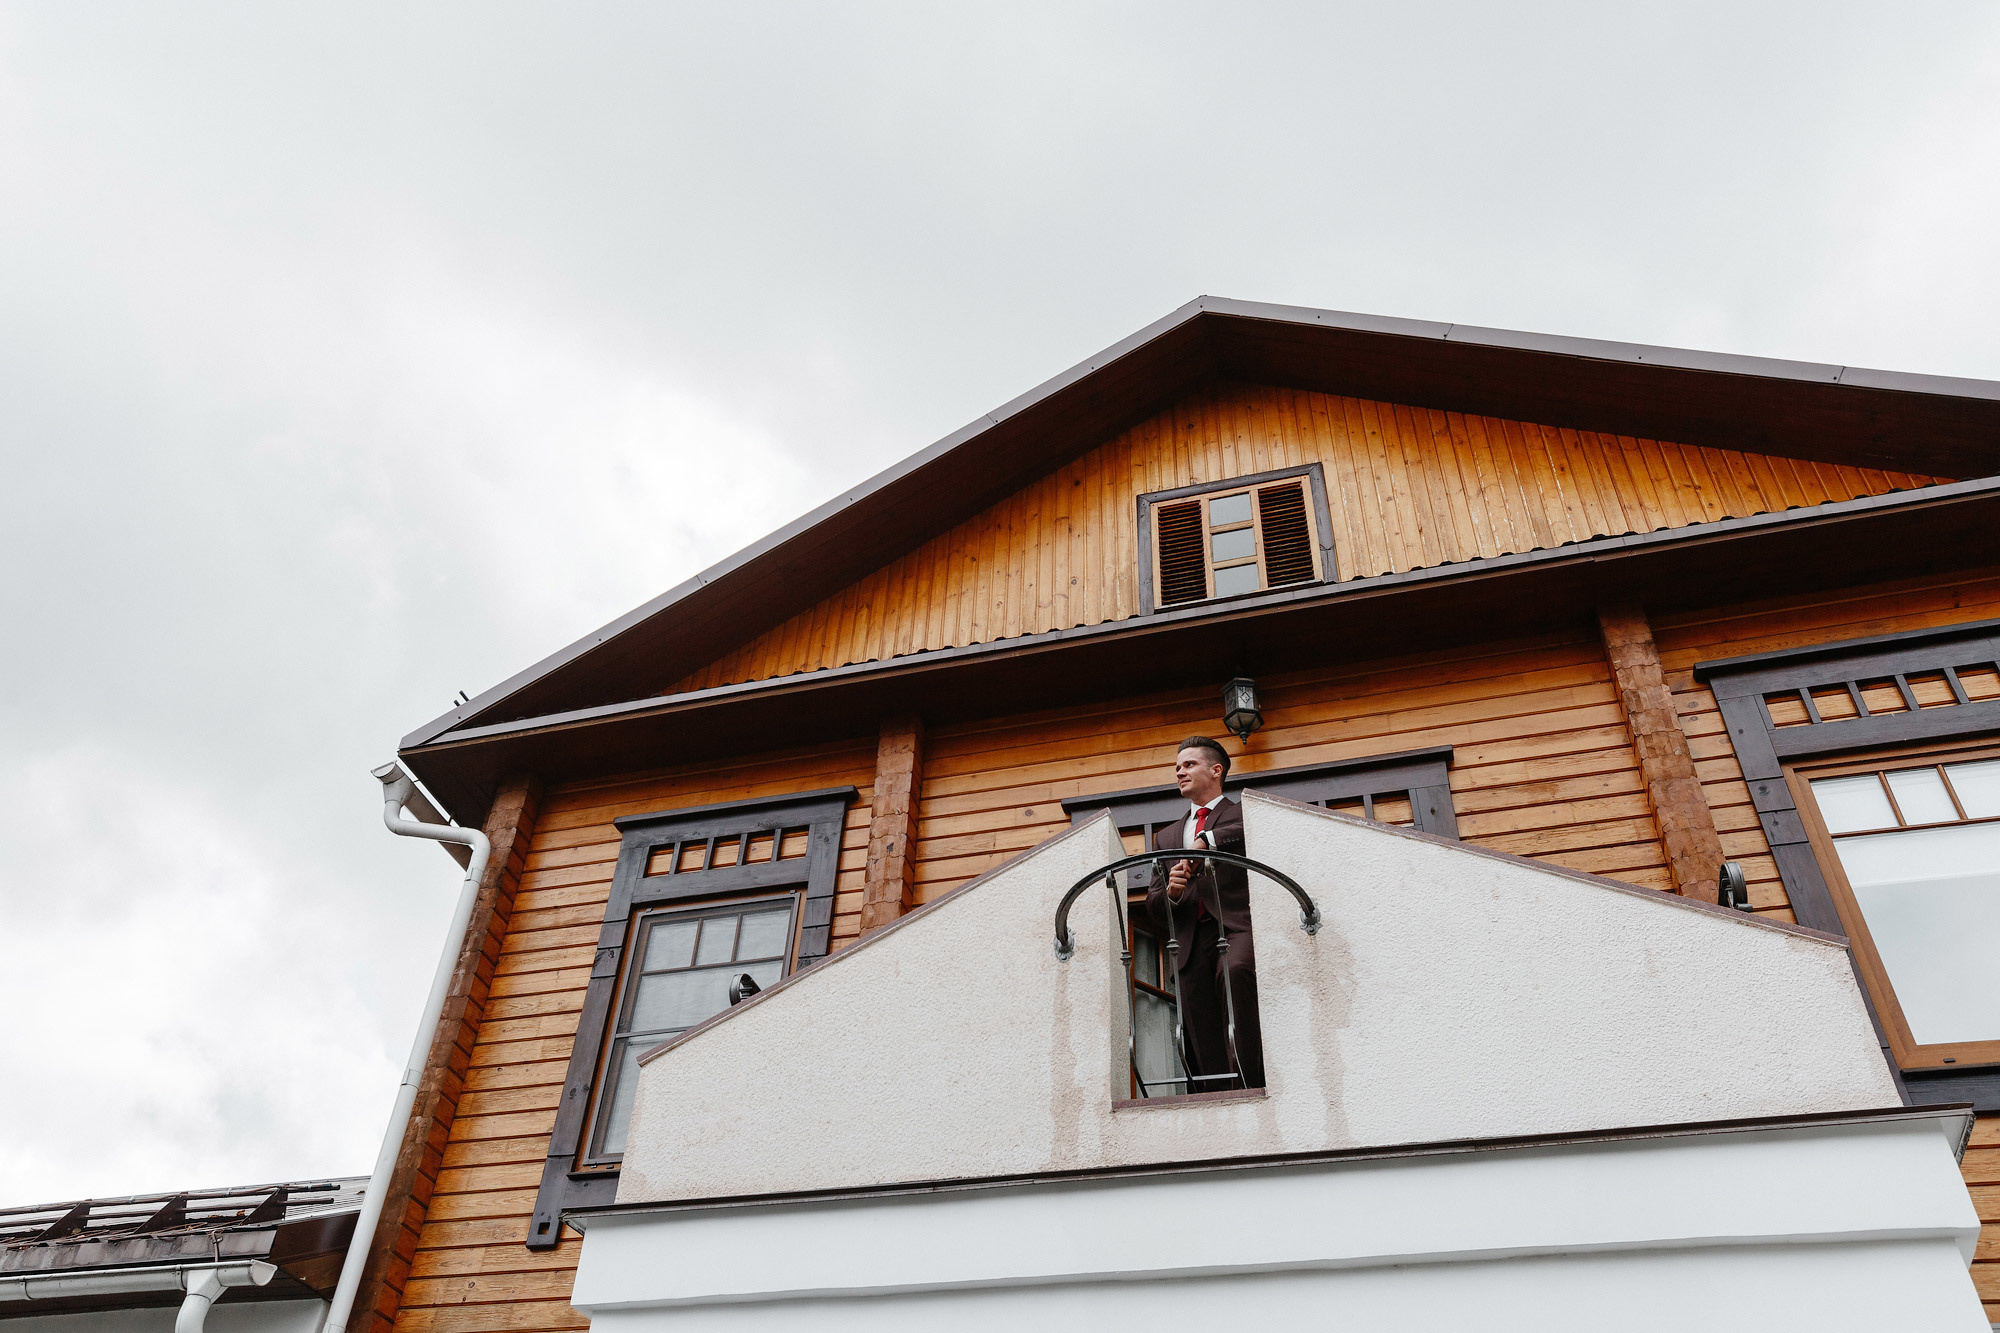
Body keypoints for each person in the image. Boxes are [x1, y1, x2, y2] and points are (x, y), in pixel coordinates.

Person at [1145, 735, 1264, 1091]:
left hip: (1235, 928)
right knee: (1197, 1018)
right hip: (1189, 939)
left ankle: (1254, 1083)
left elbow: (1254, 830)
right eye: (1177, 767)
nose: (1180, 772)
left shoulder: (1245, 812)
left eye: (1189, 764)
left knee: (1236, 971)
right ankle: (1217, 1097)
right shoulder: (1166, 837)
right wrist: (1173, 892)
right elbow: (1153, 904)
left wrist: (1206, 841)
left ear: (1216, 770)